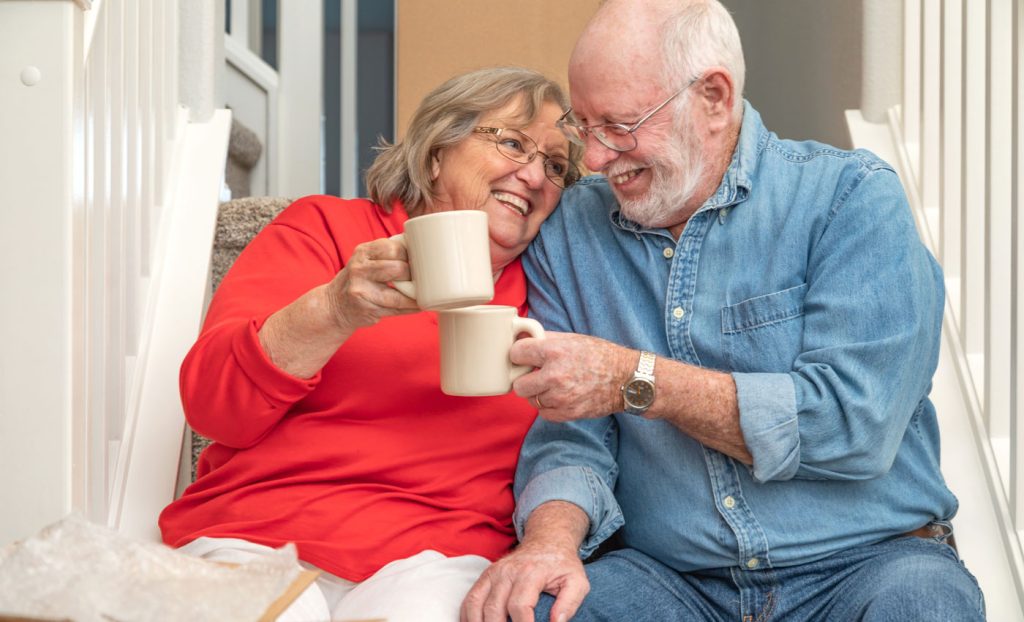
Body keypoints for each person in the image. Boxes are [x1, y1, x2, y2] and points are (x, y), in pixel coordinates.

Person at [460, 2, 987, 621]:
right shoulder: (573, 232)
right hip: (671, 581)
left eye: (621, 125)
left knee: (923, 607)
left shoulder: (850, 199)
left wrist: (637, 381)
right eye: (585, 126)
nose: (596, 159)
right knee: (535, 607)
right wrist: (549, 542)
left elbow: (852, 426)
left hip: (868, 565)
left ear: (713, 97)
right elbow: (572, 435)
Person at [159, 66, 581, 622]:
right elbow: (215, 409)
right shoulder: (324, 230)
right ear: (436, 153)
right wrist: (333, 308)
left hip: (439, 561)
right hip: (259, 536)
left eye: (555, 166)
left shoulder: (555, 294)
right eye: (511, 143)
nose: (534, 176)